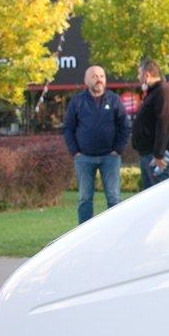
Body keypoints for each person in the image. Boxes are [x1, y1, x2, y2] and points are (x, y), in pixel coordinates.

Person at [62, 65, 130, 223]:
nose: (99, 79)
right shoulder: (77, 102)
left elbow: (124, 127)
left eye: (102, 76)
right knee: (85, 199)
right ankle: (84, 234)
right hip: (84, 158)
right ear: (86, 81)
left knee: (114, 198)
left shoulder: (114, 100)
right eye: (94, 76)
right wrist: (75, 152)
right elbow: (68, 128)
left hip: (110, 158)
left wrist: (118, 150)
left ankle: (116, 230)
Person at [131, 60, 169, 189]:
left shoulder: (163, 92)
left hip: (157, 155)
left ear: (146, 75)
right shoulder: (154, 92)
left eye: (139, 74)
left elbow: (164, 122)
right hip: (150, 153)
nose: (138, 77)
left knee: (160, 195)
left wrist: (159, 153)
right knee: (151, 197)